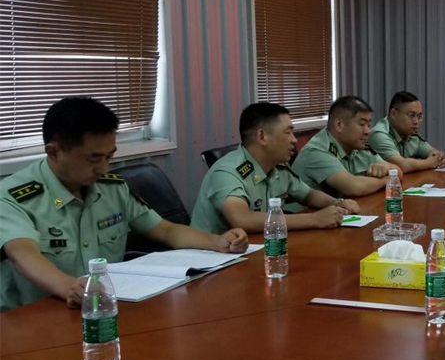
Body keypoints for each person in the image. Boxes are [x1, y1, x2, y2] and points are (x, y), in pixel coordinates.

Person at [0, 97, 250, 312]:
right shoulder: (13, 197)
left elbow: (166, 231)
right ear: (53, 152)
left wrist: (217, 241)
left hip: (104, 309)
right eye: (93, 159)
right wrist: (70, 287)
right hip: (34, 319)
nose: (103, 168)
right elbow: (23, 255)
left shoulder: (112, 189)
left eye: (109, 156)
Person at [190, 103, 359, 234]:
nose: (294, 140)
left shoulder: (277, 167)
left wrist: (337, 204)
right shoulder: (227, 171)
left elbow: (308, 194)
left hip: (257, 247)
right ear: (262, 136)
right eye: (288, 133)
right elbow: (242, 219)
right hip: (212, 258)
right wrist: (314, 219)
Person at [291, 96, 401, 197]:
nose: (368, 131)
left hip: (341, 208)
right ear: (339, 125)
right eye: (362, 124)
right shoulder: (317, 151)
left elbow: (399, 172)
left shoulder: (358, 146)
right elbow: (354, 187)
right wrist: (387, 180)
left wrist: (387, 168)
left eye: (368, 124)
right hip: (307, 212)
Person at [368, 91, 445, 172]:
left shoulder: (410, 134)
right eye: (412, 115)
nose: (416, 122)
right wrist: (430, 162)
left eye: (419, 116)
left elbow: (432, 152)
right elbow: (402, 166)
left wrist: (439, 157)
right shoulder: (379, 135)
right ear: (393, 114)